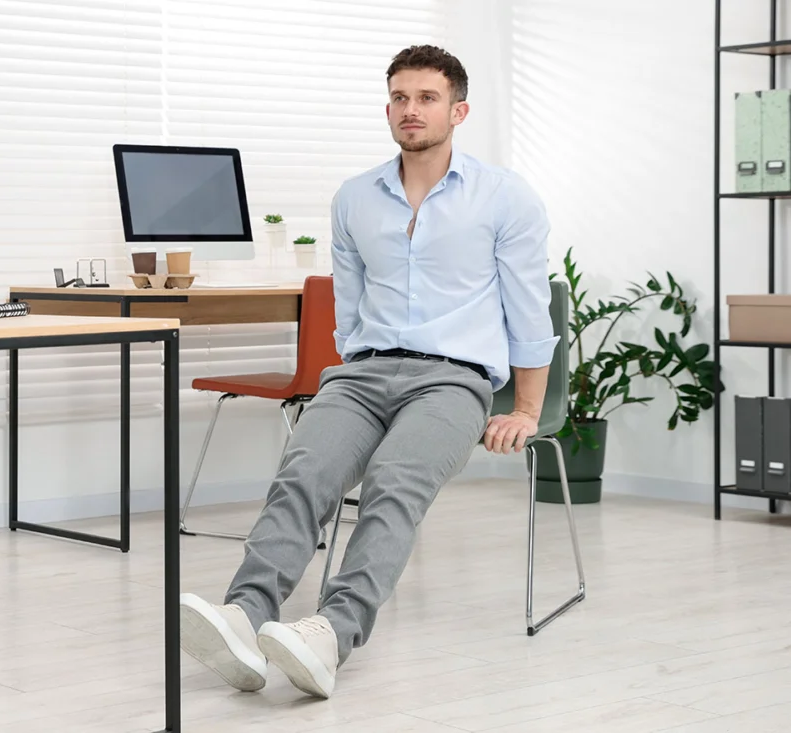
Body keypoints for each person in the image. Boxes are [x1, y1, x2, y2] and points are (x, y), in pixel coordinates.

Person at [178, 44, 558, 700]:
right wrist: (352, 370)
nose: (411, 109)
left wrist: (525, 409)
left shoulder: (505, 197)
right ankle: (246, 614)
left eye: (428, 97)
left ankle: (332, 631)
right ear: (388, 109)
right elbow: (350, 311)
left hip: (454, 380)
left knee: (393, 482)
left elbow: (529, 310)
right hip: (362, 374)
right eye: (400, 98)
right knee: (303, 473)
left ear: (458, 110)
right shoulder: (355, 197)